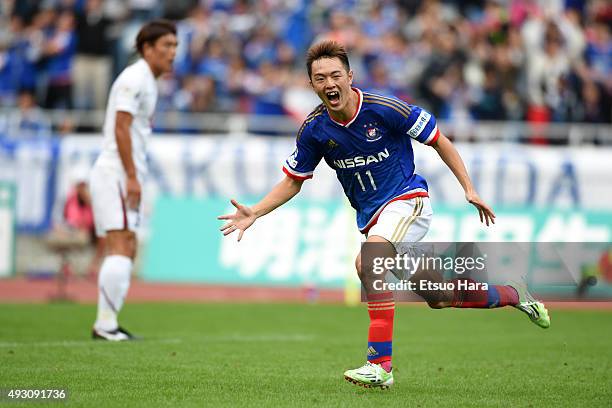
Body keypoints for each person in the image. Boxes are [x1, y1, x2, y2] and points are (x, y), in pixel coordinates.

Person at [218, 40, 551, 388]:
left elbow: (439, 139)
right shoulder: (315, 130)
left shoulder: (383, 107)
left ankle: (380, 365)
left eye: (335, 75)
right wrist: (254, 211)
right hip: (375, 219)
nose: (329, 84)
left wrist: (469, 188)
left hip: (409, 200)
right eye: (320, 78)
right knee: (439, 297)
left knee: (368, 262)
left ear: (350, 76)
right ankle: (515, 295)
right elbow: (293, 181)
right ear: (312, 84)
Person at [89, 20, 177, 341]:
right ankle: (105, 325)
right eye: (166, 46)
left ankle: (108, 322)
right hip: (115, 171)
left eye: (175, 46)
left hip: (123, 172)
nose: (172, 53)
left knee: (128, 244)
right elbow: (121, 126)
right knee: (121, 243)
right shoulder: (134, 78)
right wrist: (130, 176)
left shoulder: (149, 80)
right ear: (147, 49)